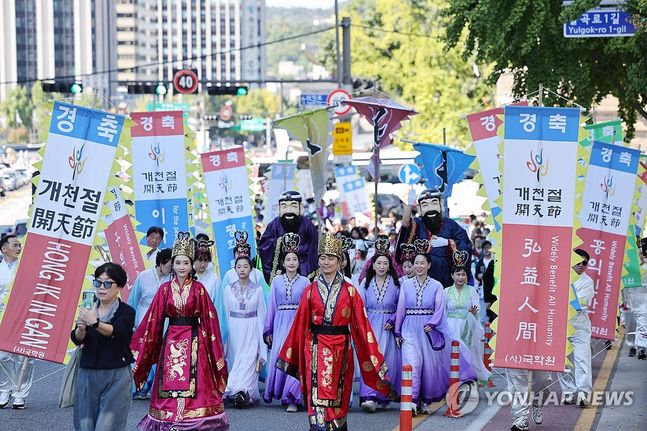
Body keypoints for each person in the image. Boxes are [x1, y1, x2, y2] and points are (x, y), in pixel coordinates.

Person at [277, 233, 396, 431]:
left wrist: (375, 358)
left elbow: (362, 326)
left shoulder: (350, 290)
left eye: (331, 258)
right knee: (317, 394)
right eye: (322, 258)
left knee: (338, 393)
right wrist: (296, 352)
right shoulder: (310, 289)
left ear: (340, 261)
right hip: (314, 347)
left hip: (341, 348)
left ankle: (335, 425)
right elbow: (299, 324)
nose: (326, 262)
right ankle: (319, 426)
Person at [130, 232, 229, 431]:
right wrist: (145, 345)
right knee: (168, 378)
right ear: (172, 265)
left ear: (191, 265)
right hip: (172, 340)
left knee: (198, 380)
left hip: (195, 339)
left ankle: (193, 417)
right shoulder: (165, 289)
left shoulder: (199, 289)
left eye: (185, 263)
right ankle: (169, 416)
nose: (181, 267)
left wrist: (213, 348)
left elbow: (210, 319)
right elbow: (154, 319)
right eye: (178, 263)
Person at [394, 240, 476, 414]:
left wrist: (432, 323)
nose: (419, 266)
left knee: (428, 368)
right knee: (412, 364)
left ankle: (423, 400)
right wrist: (398, 330)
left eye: (422, 263)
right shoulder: (406, 285)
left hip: (428, 330)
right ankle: (412, 402)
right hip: (409, 327)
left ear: (429, 265)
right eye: (416, 263)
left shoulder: (437, 285)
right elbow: (401, 308)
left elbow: (439, 309)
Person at [71, 263, 135, 431]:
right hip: (88, 373)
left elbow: (117, 331)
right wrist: (81, 328)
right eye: (98, 282)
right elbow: (77, 339)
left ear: (119, 286)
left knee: (107, 426)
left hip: (117, 375)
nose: (102, 288)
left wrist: (95, 322)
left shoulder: (126, 311)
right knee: (84, 425)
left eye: (108, 283)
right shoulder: (88, 307)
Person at [263, 233, 309, 412]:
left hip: (297, 325)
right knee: (280, 356)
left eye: (294, 259)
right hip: (280, 323)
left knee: (295, 357)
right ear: (283, 262)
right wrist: (269, 329)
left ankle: (293, 397)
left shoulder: (306, 282)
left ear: (299, 262)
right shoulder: (276, 281)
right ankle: (282, 392)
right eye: (288, 259)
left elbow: (307, 307)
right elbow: (271, 306)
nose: (291, 262)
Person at [222, 231, 267, 408]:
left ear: (251, 268)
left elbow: (262, 312)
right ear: (235, 268)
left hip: (252, 326)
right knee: (237, 360)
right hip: (234, 328)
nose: (242, 269)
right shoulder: (228, 289)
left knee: (249, 359)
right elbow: (225, 313)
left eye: (245, 266)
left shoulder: (257, 289)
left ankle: (241, 391)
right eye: (239, 266)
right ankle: (237, 391)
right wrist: (223, 336)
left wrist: (264, 334)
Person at [358, 236, 401, 413]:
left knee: (388, 361)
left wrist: (394, 321)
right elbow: (359, 306)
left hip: (389, 327)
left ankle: (384, 395)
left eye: (385, 263)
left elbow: (401, 307)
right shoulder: (365, 283)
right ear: (372, 265)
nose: (382, 266)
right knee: (370, 360)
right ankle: (369, 396)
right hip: (371, 326)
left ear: (389, 265)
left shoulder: (398, 284)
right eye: (378, 263)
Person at [396, 190, 472, 287]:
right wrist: (410, 205)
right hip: (423, 273)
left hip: (446, 273)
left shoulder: (451, 224)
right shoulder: (417, 224)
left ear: (441, 205)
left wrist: (448, 242)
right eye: (425, 205)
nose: (430, 209)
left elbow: (466, 244)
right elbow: (405, 225)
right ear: (419, 209)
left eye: (434, 203)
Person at [127, 247, 172, 399]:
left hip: (163, 320)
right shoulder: (144, 276)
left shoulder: (171, 280)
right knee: (141, 351)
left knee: (158, 352)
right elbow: (133, 299)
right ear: (161, 263)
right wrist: (130, 322)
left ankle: (153, 387)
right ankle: (137, 386)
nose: (171, 268)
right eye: (169, 265)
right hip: (144, 315)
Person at [559, 249, 595, 406]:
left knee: (582, 358)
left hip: (580, 326)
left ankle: (583, 392)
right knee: (562, 361)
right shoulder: (559, 276)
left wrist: (559, 301)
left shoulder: (587, 282)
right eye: (578, 262)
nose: (581, 265)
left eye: (585, 263)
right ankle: (568, 392)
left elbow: (579, 304)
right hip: (560, 325)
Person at [445, 262, 491, 384]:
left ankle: (466, 378)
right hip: (450, 327)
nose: (460, 277)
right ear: (452, 275)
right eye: (458, 274)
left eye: (463, 274)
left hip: (467, 325)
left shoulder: (471, 291)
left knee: (467, 353)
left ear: (467, 277)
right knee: (450, 354)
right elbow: (443, 311)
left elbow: (477, 308)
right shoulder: (446, 291)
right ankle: (452, 380)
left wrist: (474, 312)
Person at [259, 191, 319, 283]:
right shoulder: (274, 225)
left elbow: (315, 247)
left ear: (301, 207)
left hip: (304, 269)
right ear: (278, 208)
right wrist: (278, 244)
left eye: (294, 206)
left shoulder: (307, 225)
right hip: (281, 269)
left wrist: (310, 269)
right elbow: (265, 248)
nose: (288, 210)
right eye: (284, 206)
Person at [0, 234, 31, 410]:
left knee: (24, 357)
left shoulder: (27, 268)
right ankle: (5, 388)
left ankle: (20, 394)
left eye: (20, 245)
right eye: (15, 245)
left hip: (25, 317)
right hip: (3, 317)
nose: (19, 248)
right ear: (4, 248)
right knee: (3, 356)